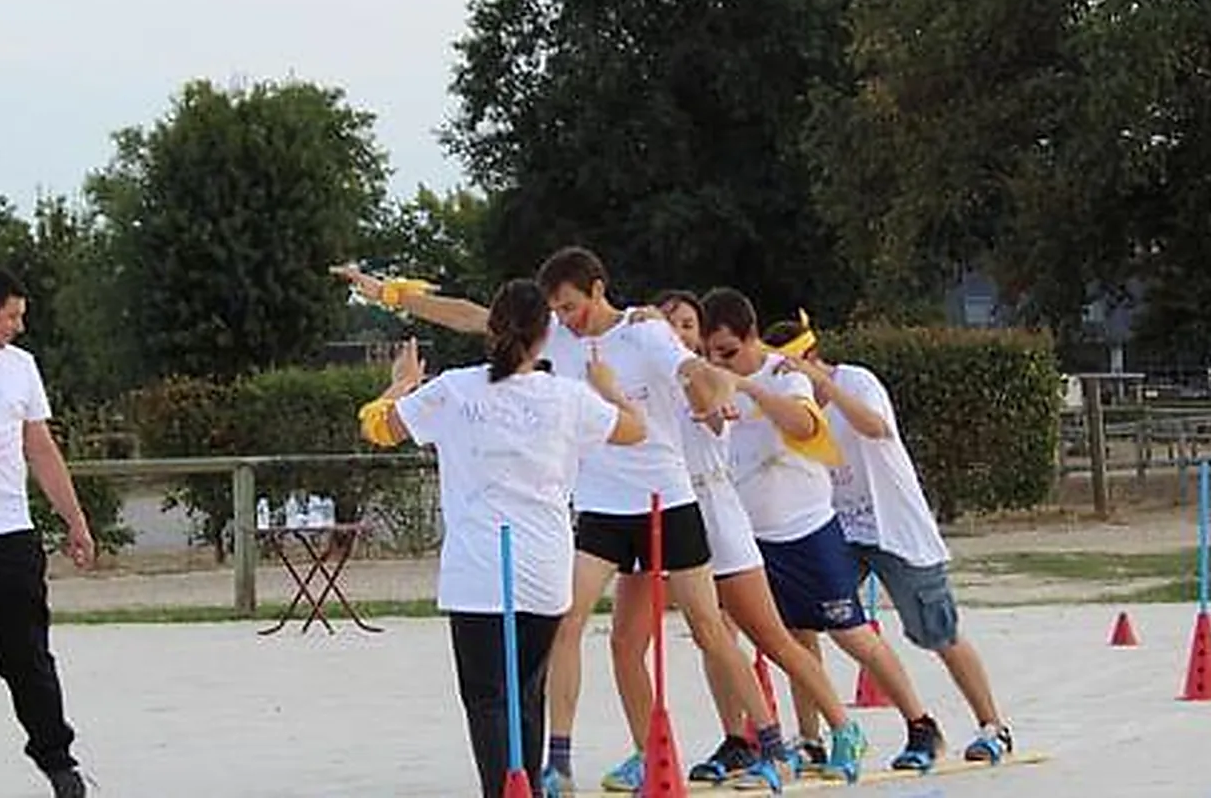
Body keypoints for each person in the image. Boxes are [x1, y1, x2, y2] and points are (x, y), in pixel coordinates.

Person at [332, 252, 786, 795]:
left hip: (666, 496)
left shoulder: (644, 332)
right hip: (603, 504)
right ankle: (562, 761)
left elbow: (698, 376)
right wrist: (388, 293)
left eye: (570, 306)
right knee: (576, 627)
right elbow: (465, 314)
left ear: (597, 291)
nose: (564, 317)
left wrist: (709, 383)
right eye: (555, 310)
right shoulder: (553, 342)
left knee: (709, 629)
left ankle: (772, 744)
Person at [356, 279, 648, 798]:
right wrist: (610, 389)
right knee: (527, 693)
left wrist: (399, 384)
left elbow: (379, 428)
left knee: (487, 697)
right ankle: (528, 787)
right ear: (543, 339)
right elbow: (633, 431)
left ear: (492, 332)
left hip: (479, 568)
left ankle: (501, 791)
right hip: (544, 565)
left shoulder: (453, 390)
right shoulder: (567, 396)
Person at [607, 291, 867, 788]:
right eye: (668, 324)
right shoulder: (646, 377)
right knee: (692, 638)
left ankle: (843, 728)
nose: (678, 332)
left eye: (687, 325)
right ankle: (701, 745)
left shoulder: (706, 375)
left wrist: (706, 389)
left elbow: (714, 404)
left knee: (769, 636)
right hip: (662, 509)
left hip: (716, 513)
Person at [699, 288, 945, 773]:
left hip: (808, 530)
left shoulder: (784, 376)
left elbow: (804, 426)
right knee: (781, 639)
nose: (720, 363)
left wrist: (748, 388)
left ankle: (920, 723)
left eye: (728, 352)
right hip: (752, 539)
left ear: (751, 339)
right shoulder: (712, 384)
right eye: (710, 354)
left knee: (852, 635)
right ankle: (794, 739)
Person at [762, 313, 1014, 764]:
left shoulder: (855, 381)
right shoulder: (786, 403)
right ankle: (811, 738)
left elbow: (875, 427)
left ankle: (992, 725)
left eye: (792, 367)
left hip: (895, 528)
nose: (789, 379)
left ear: (813, 358)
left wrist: (823, 383)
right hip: (834, 528)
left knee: (937, 631)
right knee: (803, 625)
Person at [0, 266, 94, 798]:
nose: (19, 325)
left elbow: (39, 448)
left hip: (8, 539)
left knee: (25, 658)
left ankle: (58, 762)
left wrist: (75, 519)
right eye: (13, 316)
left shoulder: (20, 369)